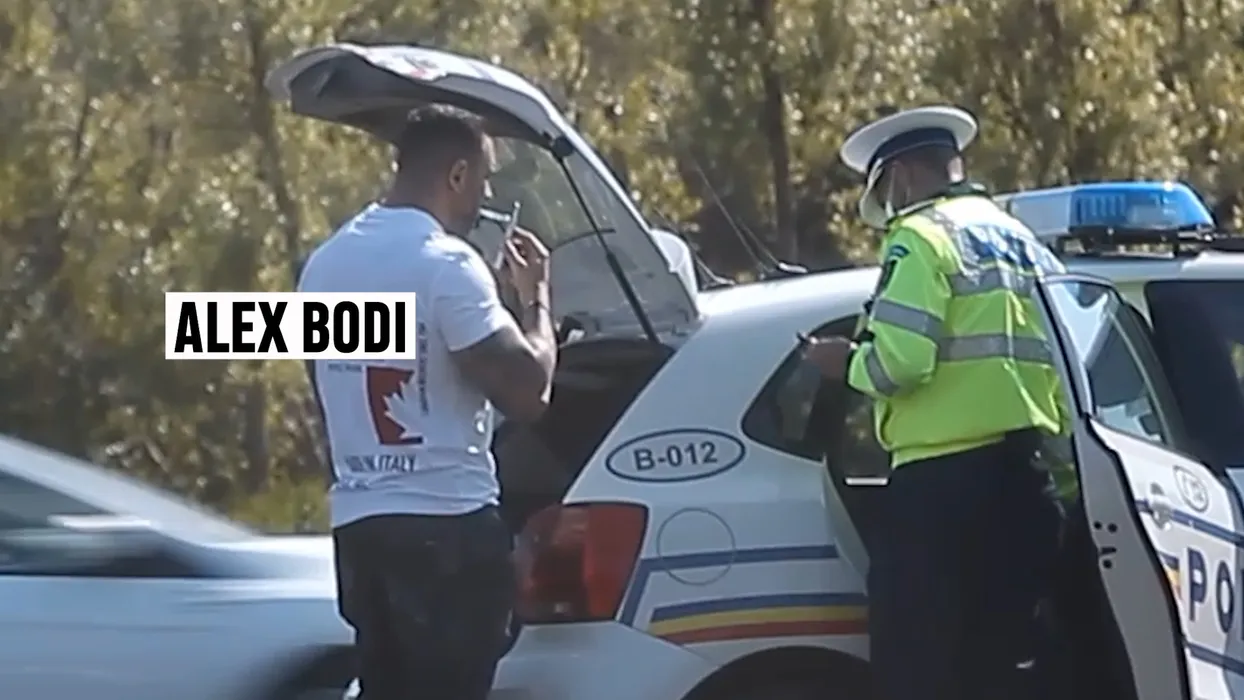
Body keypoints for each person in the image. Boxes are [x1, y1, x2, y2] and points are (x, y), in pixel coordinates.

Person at [801, 105, 1068, 700]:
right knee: (1004, 665)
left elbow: (901, 363)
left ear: (898, 176)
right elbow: (1065, 367)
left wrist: (845, 364)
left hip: (941, 489)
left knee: (920, 666)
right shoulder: (1025, 244)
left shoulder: (920, 238)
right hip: (1026, 478)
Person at [297, 105, 558, 700]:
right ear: (457, 175)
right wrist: (536, 301)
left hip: (361, 532)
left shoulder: (326, 264)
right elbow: (530, 391)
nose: (485, 198)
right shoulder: (448, 264)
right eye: (484, 181)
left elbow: (330, 389)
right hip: (448, 530)